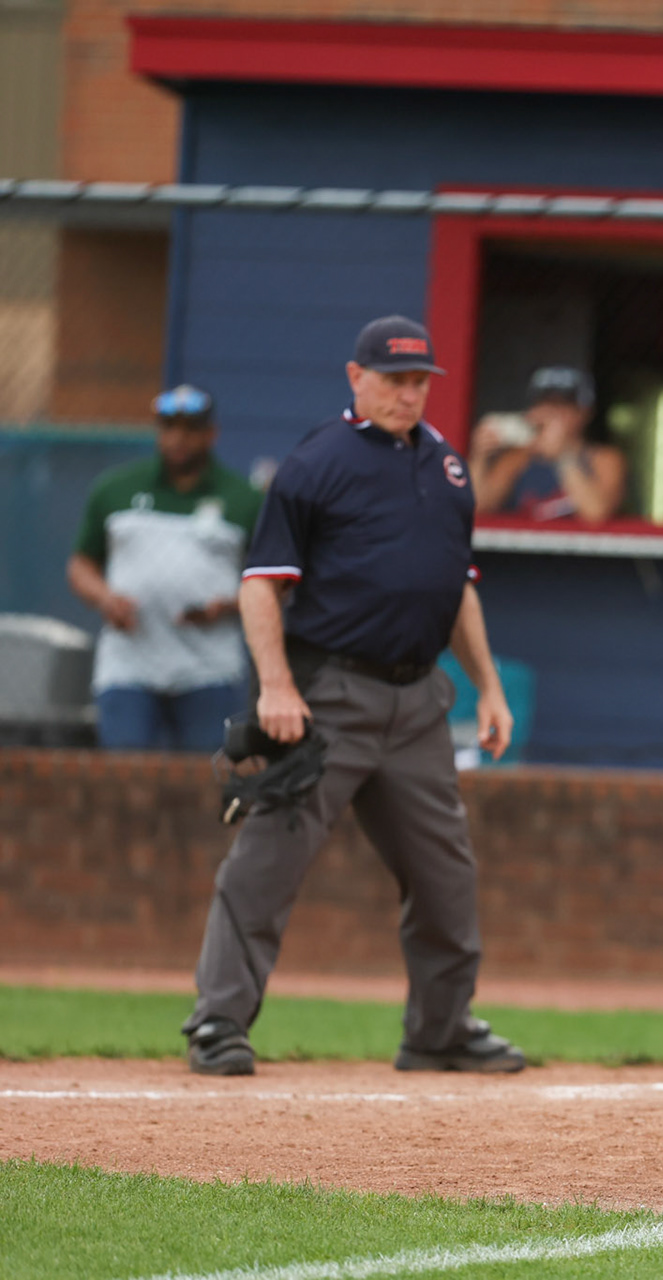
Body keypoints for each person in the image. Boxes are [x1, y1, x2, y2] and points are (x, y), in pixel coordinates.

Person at [180, 315, 524, 1078]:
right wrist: (276, 686)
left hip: (419, 700)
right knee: (268, 860)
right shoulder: (317, 463)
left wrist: (489, 689)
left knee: (446, 874)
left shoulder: (448, 468)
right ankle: (218, 1021)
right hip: (330, 695)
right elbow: (261, 586)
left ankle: (440, 1030)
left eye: (419, 381)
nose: (409, 394)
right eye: (394, 381)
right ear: (356, 378)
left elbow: (457, 590)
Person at [67, 385, 262, 751]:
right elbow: (82, 564)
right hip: (130, 663)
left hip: (209, 667)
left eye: (190, 429)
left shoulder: (245, 499)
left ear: (211, 434)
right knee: (125, 770)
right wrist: (105, 598)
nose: (178, 439)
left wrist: (230, 605)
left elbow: (271, 582)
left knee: (210, 772)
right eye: (169, 428)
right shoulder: (115, 489)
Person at [470, 366, 626, 524]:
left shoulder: (604, 459)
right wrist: (480, 456)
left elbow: (596, 514)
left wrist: (563, 455)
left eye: (561, 405)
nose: (551, 413)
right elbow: (479, 507)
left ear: (584, 413)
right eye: (545, 403)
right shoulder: (517, 458)